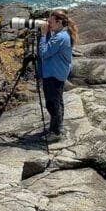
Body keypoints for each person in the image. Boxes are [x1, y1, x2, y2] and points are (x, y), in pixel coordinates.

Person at [37, 9, 77, 141]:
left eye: (50, 22)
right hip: (57, 72)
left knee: (52, 103)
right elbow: (50, 48)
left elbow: (43, 52)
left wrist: (43, 36)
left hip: (54, 73)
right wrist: (48, 33)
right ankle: (56, 127)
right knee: (57, 102)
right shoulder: (62, 33)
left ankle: (55, 133)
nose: (48, 24)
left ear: (59, 22)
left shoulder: (60, 37)